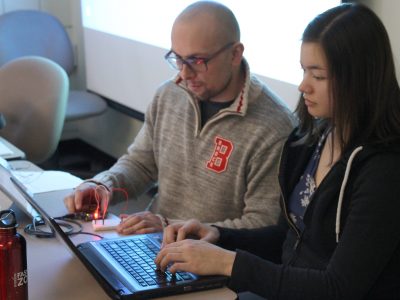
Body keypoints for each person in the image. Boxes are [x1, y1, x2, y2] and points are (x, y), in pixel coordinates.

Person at [155, 3, 400, 299]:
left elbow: (338, 288)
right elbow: (287, 239)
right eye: (303, 71)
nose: (303, 86)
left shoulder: (385, 170)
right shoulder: (313, 138)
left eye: (318, 76)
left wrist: (228, 262)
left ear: (359, 78)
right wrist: (219, 236)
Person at [64, 1, 294, 234]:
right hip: (155, 240)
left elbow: (262, 226)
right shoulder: (169, 94)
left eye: (197, 61)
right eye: (178, 59)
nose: (184, 73)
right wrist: (103, 185)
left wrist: (171, 226)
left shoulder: (273, 127)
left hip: (212, 261)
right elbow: (140, 164)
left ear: (235, 54)